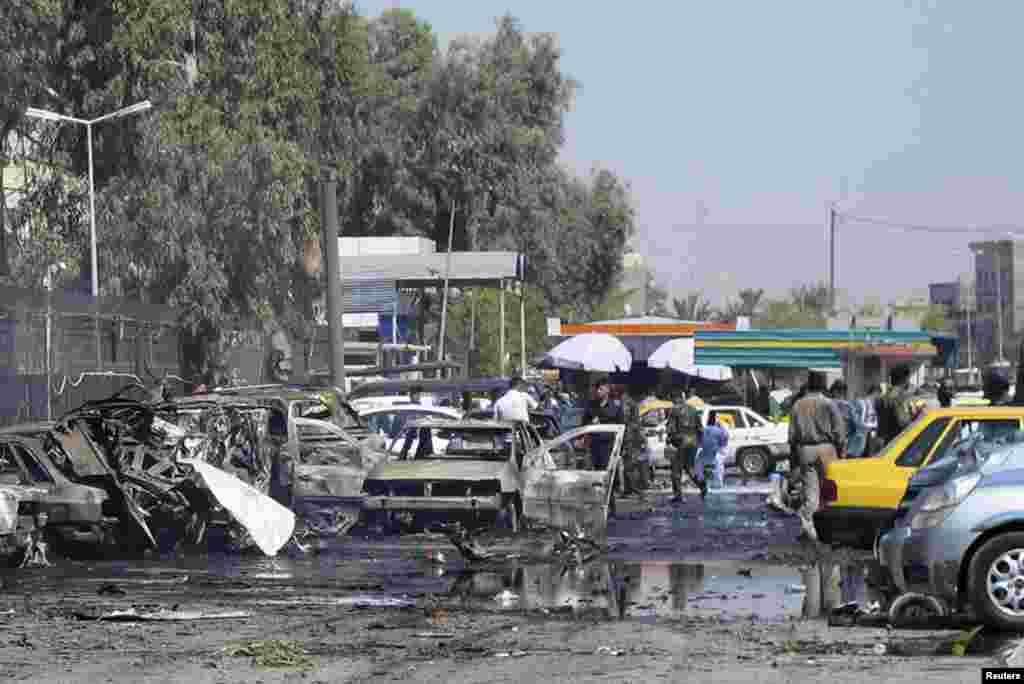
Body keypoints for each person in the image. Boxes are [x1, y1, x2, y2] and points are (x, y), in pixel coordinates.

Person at [788, 370, 847, 543]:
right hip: (827, 450)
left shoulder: (797, 405)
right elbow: (839, 432)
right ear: (823, 386)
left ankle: (808, 529)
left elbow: (792, 436)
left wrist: (794, 460)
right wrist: (842, 452)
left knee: (811, 494)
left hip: (805, 450)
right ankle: (828, 531)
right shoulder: (828, 404)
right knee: (830, 493)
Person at [666, 389, 703, 504]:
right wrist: (699, 442)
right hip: (693, 442)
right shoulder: (693, 409)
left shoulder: (674, 410)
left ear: (676, 398)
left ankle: (679, 496)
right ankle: (703, 486)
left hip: (680, 442)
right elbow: (700, 428)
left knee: (676, 470)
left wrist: (669, 439)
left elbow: (671, 429)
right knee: (690, 468)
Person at [581, 379, 624, 470]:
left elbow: (621, 426)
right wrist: (591, 423)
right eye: (597, 389)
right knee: (595, 475)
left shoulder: (615, 406)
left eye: (600, 389)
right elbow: (583, 424)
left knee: (608, 472)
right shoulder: (591, 405)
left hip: (609, 446)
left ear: (607, 390)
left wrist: (620, 448)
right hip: (594, 446)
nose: (598, 391)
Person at [876, 367, 917, 446]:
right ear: (905, 380)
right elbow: (903, 421)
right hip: (898, 441)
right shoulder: (899, 398)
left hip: (887, 442)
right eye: (908, 378)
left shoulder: (883, 397)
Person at [620, 388, 648, 496]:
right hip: (631, 438)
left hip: (630, 439)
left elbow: (628, 420)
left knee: (629, 466)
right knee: (629, 465)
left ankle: (636, 490)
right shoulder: (632, 403)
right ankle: (630, 489)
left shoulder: (628, 403)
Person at [829, 380, 867, 459]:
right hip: (845, 446)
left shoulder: (827, 404)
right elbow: (858, 427)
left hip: (829, 445)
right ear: (844, 392)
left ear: (834, 391)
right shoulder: (849, 406)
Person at [695, 415, 729, 499]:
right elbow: (724, 441)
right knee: (719, 465)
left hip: (704, 454)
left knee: (699, 465)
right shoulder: (720, 430)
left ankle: (702, 483)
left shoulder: (703, 430)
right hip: (715, 454)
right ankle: (718, 483)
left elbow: (698, 442)